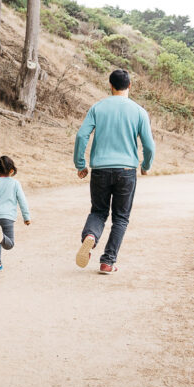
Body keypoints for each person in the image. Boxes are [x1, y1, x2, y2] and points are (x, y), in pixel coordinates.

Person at [73, 69, 155, 274]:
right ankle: (107, 262)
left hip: (100, 169)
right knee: (121, 218)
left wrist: (80, 164)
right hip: (126, 170)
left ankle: (90, 237)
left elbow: (82, 136)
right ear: (130, 86)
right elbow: (149, 145)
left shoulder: (97, 107)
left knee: (98, 212)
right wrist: (145, 166)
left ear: (110, 85)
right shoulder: (139, 111)